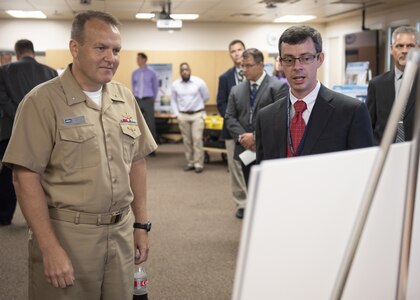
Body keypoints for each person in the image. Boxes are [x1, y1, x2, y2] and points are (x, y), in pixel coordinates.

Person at [2, 10, 157, 299]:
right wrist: (49, 248)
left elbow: (137, 161)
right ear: (75, 48)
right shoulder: (41, 102)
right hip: (69, 237)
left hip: (121, 234)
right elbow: (25, 178)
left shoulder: (124, 98)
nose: (111, 57)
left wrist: (141, 224)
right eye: (100, 47)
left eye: (116, 50)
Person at [255, 25, 373, 163]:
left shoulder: (351, 112)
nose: (297, 67)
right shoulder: (266, 117)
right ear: (281, 63)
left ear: (320, 59)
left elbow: (363, 170)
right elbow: (265, 172)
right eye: (288, 60)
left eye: (306, 58)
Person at [0, 39, 58, 226]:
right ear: (32, 52)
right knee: (44, 175)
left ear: (17, 53)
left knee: (11, 175)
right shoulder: (51, 72)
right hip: (43, 131)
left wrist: (20, 117)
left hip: (11, 131)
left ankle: (4, 216)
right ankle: (42, 218)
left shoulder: (4, 71)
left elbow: (2, 100)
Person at [225, 48, 289, 188]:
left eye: (249, 65)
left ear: (261, 65)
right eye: (243, 65)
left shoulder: (278, 87)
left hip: (269, 150)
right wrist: (243, 137)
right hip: (245, 150)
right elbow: (229, 117)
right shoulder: (236, 90)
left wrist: (255, 137)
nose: (244, 69)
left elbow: (280, 120)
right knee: (251, 189)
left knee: (271, 190)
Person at [366, 26, 419, 145]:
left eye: (410, 46)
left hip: (415, 156)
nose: (405, 50)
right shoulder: (376, 84)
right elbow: (368, 125)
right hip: (384, 156)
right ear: (391, 49)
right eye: (399, 46)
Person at [216, 39, 248, 219]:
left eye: (239, 50)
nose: (237, 53)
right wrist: (234, 125)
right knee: (235, 167)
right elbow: (221, 102)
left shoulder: (256, 74)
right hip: (232, 130)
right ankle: (242, 203)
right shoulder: (225, 78)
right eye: (233, 51)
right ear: (230, 55)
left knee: (253, 165)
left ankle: (256, 200)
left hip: (254, 130)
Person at [171, 62, 209, 173]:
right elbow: (173, 100)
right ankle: (190, 162)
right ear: (180, 72)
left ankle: (198, 164)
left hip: (197, 115)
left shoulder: (199, 82)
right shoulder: (175, 85)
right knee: (187, 141)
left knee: (197, 139)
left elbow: (206, 97)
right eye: (182, 70)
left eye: (186, 69)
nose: (184, 72)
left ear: (190, 70)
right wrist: (177, 114)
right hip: (183, 116)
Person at [132, 52, 159, 147]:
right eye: (137, 59)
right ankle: (137, 146)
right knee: (135, 123)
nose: (137, 61)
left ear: (144, 60)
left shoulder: (152, 73)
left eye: (139, 59)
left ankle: (151, 147)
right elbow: (133, 86)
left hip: (148, 100)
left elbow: (155, 87)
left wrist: (152, 99)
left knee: (150, 123)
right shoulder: (134, 72)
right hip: (137, 100)